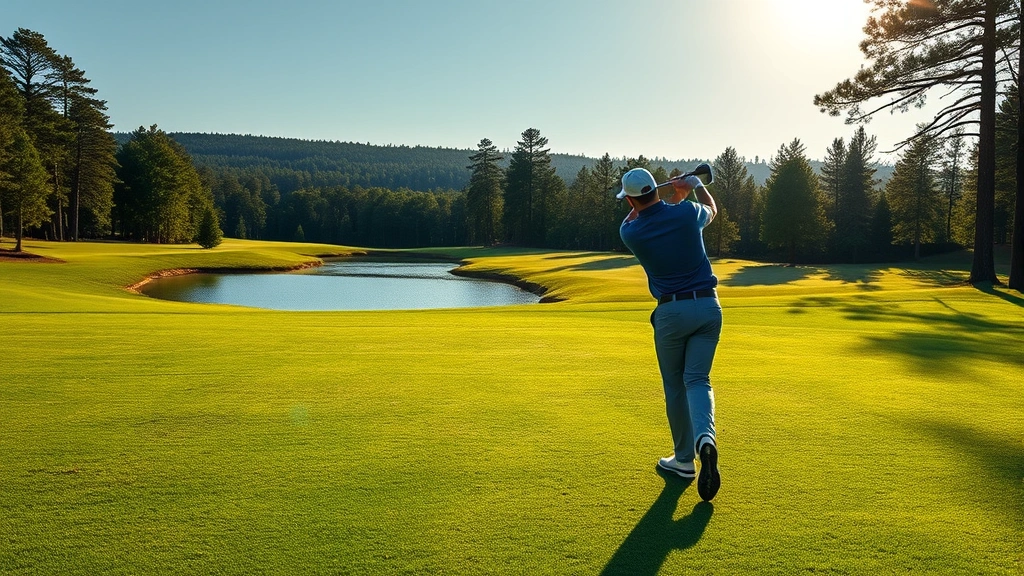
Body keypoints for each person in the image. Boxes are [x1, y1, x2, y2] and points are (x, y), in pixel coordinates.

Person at [617, 167, 722, 502]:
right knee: (698, 380)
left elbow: (637, 213)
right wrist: (693, 186)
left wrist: (668, 195)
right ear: (655, 191)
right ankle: (705, 439)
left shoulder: (630, 232)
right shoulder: (689, 213)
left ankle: (683, 460)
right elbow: (712, 209)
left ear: (632, 198)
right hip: (708, 308)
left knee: (675, 385)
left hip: (671, 314)